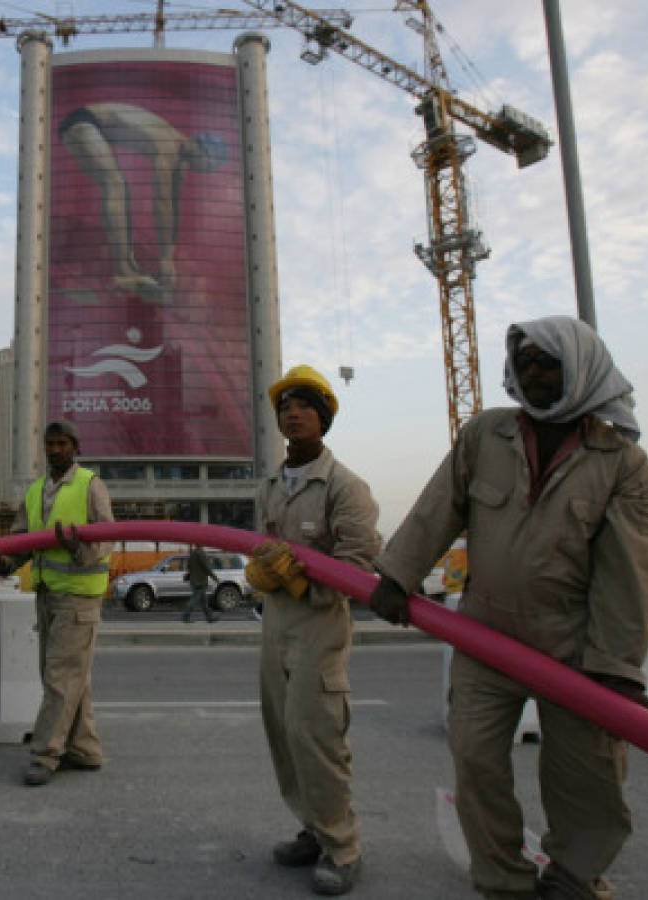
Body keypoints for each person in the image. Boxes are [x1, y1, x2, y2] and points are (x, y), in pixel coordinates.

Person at [369, 317, 648, 900]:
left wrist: (616, 666)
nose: (532, 372)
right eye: (525, 361)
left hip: (575, 649)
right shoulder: (487, 435)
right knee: (476, 762)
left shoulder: (624, 466)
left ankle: (574, 879)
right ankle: (505, 881)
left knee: (588, 780)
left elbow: (630, 576)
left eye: (547, 362)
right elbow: (439, 506)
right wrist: (397, 576)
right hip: (486, 636)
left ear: (581, 369)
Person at [245, 365, 381, 896]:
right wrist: (261, 572)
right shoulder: (270, 487)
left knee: (317, 735)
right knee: (283, 732)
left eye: (304, 405)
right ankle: (313, 826)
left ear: (323, 418)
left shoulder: (345, 487)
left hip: (320, 628)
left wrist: (302, 582)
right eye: (284, 406)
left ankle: (342, 847)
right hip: (276, 626)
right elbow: (262, 549)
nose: (292, 413)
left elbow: (359, 566)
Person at [0, 421, 114, 786]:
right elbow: (22, 541)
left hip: (79, 598)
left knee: (60, 677)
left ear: (75, 447)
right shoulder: (37, 490)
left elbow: (107, 538)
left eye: (62, 444)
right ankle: (84, 748)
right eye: (50, 444)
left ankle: (46, 753)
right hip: (47, 595)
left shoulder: (90, 485)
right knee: (67, 678)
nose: (54, 450)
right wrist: (5, 562)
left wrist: (76, 547)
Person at [59, 102, 227, 303]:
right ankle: (123, 270)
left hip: (91, 127)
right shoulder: (170, 147)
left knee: (117, 186)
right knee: (115, 185)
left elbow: (174, 207)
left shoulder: (181, 163)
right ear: (199, 148)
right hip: (83, 122)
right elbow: (162, 201)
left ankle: (129, 268)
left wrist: (169, 256)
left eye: (208, 170)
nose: (202, 171)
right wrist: (165, 260)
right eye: (207, 164)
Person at [182, 545, 219, 624]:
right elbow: (207, 567)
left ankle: (209, 618)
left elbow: (188, 566)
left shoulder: (193, 554)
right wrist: (214, 577)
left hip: (194, 580)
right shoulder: (201, 553)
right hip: (200, 581)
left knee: (204, 601)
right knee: (194, 600)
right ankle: (185, 616)